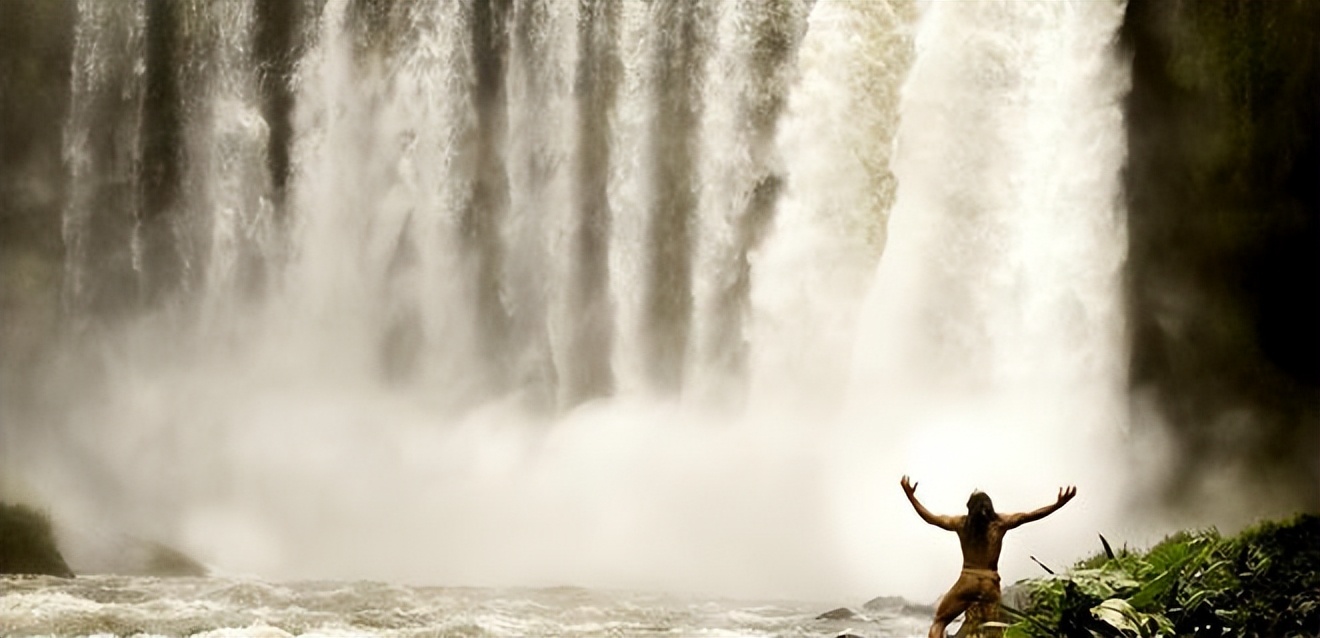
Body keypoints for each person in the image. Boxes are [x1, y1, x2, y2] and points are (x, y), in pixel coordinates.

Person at [900, 475, 1076, 638]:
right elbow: (1029, 516)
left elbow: (931, 518)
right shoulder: (999, 523)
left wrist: (911, 496)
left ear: (969, 508)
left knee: (940, 621)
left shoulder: (961, 523)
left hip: (967, 580)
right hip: (990, 583)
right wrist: (1058, 504)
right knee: (994, 631)